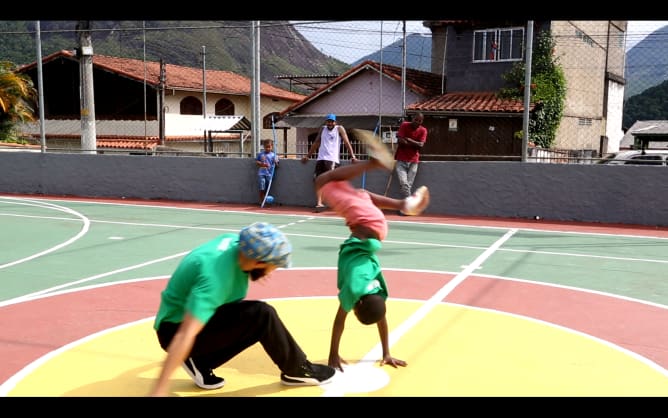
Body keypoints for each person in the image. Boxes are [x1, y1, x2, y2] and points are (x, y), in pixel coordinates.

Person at [149, 222, 336, 396]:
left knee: (253, 316)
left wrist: (258, 271)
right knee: (262, 315)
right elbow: (185, 335)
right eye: (273, 266)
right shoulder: (215, 280)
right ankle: (297, 370)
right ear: (259, 262)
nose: (273, 271)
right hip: (175, 331)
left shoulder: (234, 244)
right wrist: (159, 390)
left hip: (184, 320)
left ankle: (200, 361)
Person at [313, 129, 430, 373]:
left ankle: (385, 179)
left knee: (324, 182)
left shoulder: (374, 289)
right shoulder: (361, 293)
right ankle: (401, 203)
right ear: (357, 306)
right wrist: (333, 354)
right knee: (332, 184)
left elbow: (378, 315)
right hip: (366, 227)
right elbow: (341, 322)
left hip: (372, 233)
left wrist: (385, 351)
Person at [301, 113, 358, 212]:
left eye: (332, 121)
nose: (330, 123)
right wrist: (307, 156)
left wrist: (352, 156)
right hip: (321, 158)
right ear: (326, 122)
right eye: (328, 121)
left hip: (332, 159)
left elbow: (347, 142)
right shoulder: (323, 129)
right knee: (318, 180)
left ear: (335, 122)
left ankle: (340, 203)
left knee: (332, 183)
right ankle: (319, 203)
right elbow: (316, 143)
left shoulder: (339, 129)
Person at [394, 113, 428, 202]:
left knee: (408, 185)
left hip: (414, 160)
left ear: (422, 121)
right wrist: (415, 143)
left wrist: (408, 139)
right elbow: (400, 141)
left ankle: (405, 206)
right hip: (401, 159)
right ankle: (408, 205)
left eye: (419, 120)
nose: (417, 122)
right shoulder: (404, 125)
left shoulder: (423, 130)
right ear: (412, 118)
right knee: (404, 183)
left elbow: (421, 146)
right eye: (415, 119)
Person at [255, 139, 279, 206]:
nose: (267, 148)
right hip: (262, 173)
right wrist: (262, 164)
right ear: (264, 147)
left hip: (269, 174)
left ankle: (267, 201)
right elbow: (257, 162)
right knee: (262, 186)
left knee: (267, 188)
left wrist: (275, 162)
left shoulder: (274, 155)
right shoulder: (261, 154)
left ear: (272, 147)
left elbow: (277, 166)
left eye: (269, 147)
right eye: (266, 147)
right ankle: (261, 200)